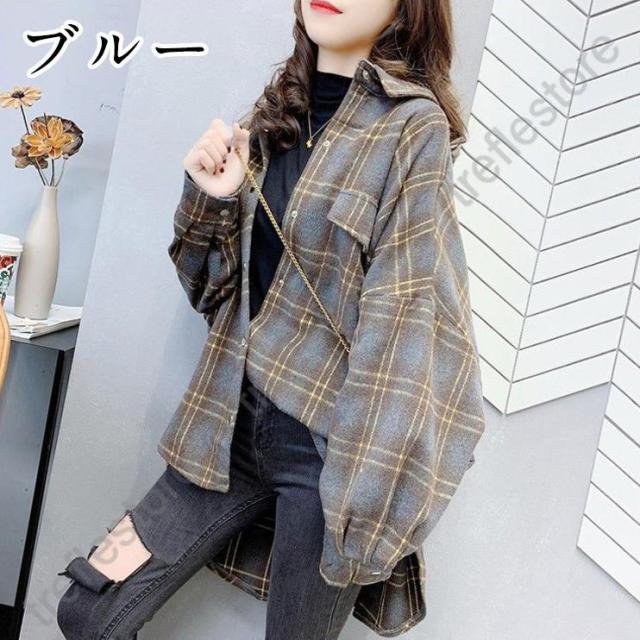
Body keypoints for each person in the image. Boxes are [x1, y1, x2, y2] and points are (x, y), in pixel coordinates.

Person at [56, 0, 486, 638]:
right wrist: (213, 197)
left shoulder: (409, 129)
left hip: (326, 452)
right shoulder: (275, 113)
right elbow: (212, 295)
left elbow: (404, 320)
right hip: (226, 421)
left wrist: (363, 492)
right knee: (89, 608)